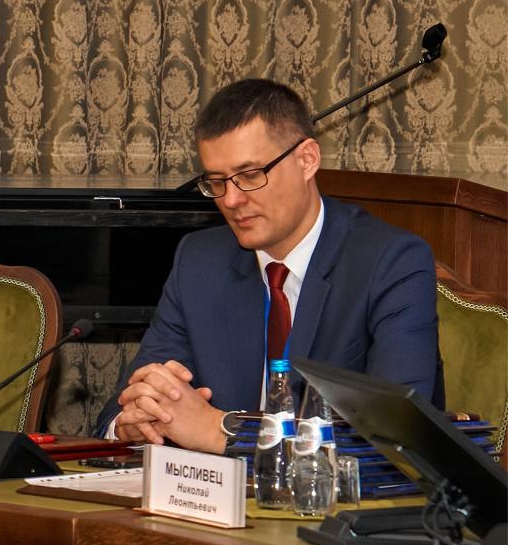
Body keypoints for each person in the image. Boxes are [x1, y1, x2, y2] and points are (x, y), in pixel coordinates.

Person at [96, 79, 442, 453]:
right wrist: (133, 423)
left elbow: (398, 439)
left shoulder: (390, 262)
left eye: (249, 176)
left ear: (307, 160)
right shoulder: (199, 261)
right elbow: (124, 403)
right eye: (216, 182)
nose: (231, 200)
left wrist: (222, 432)